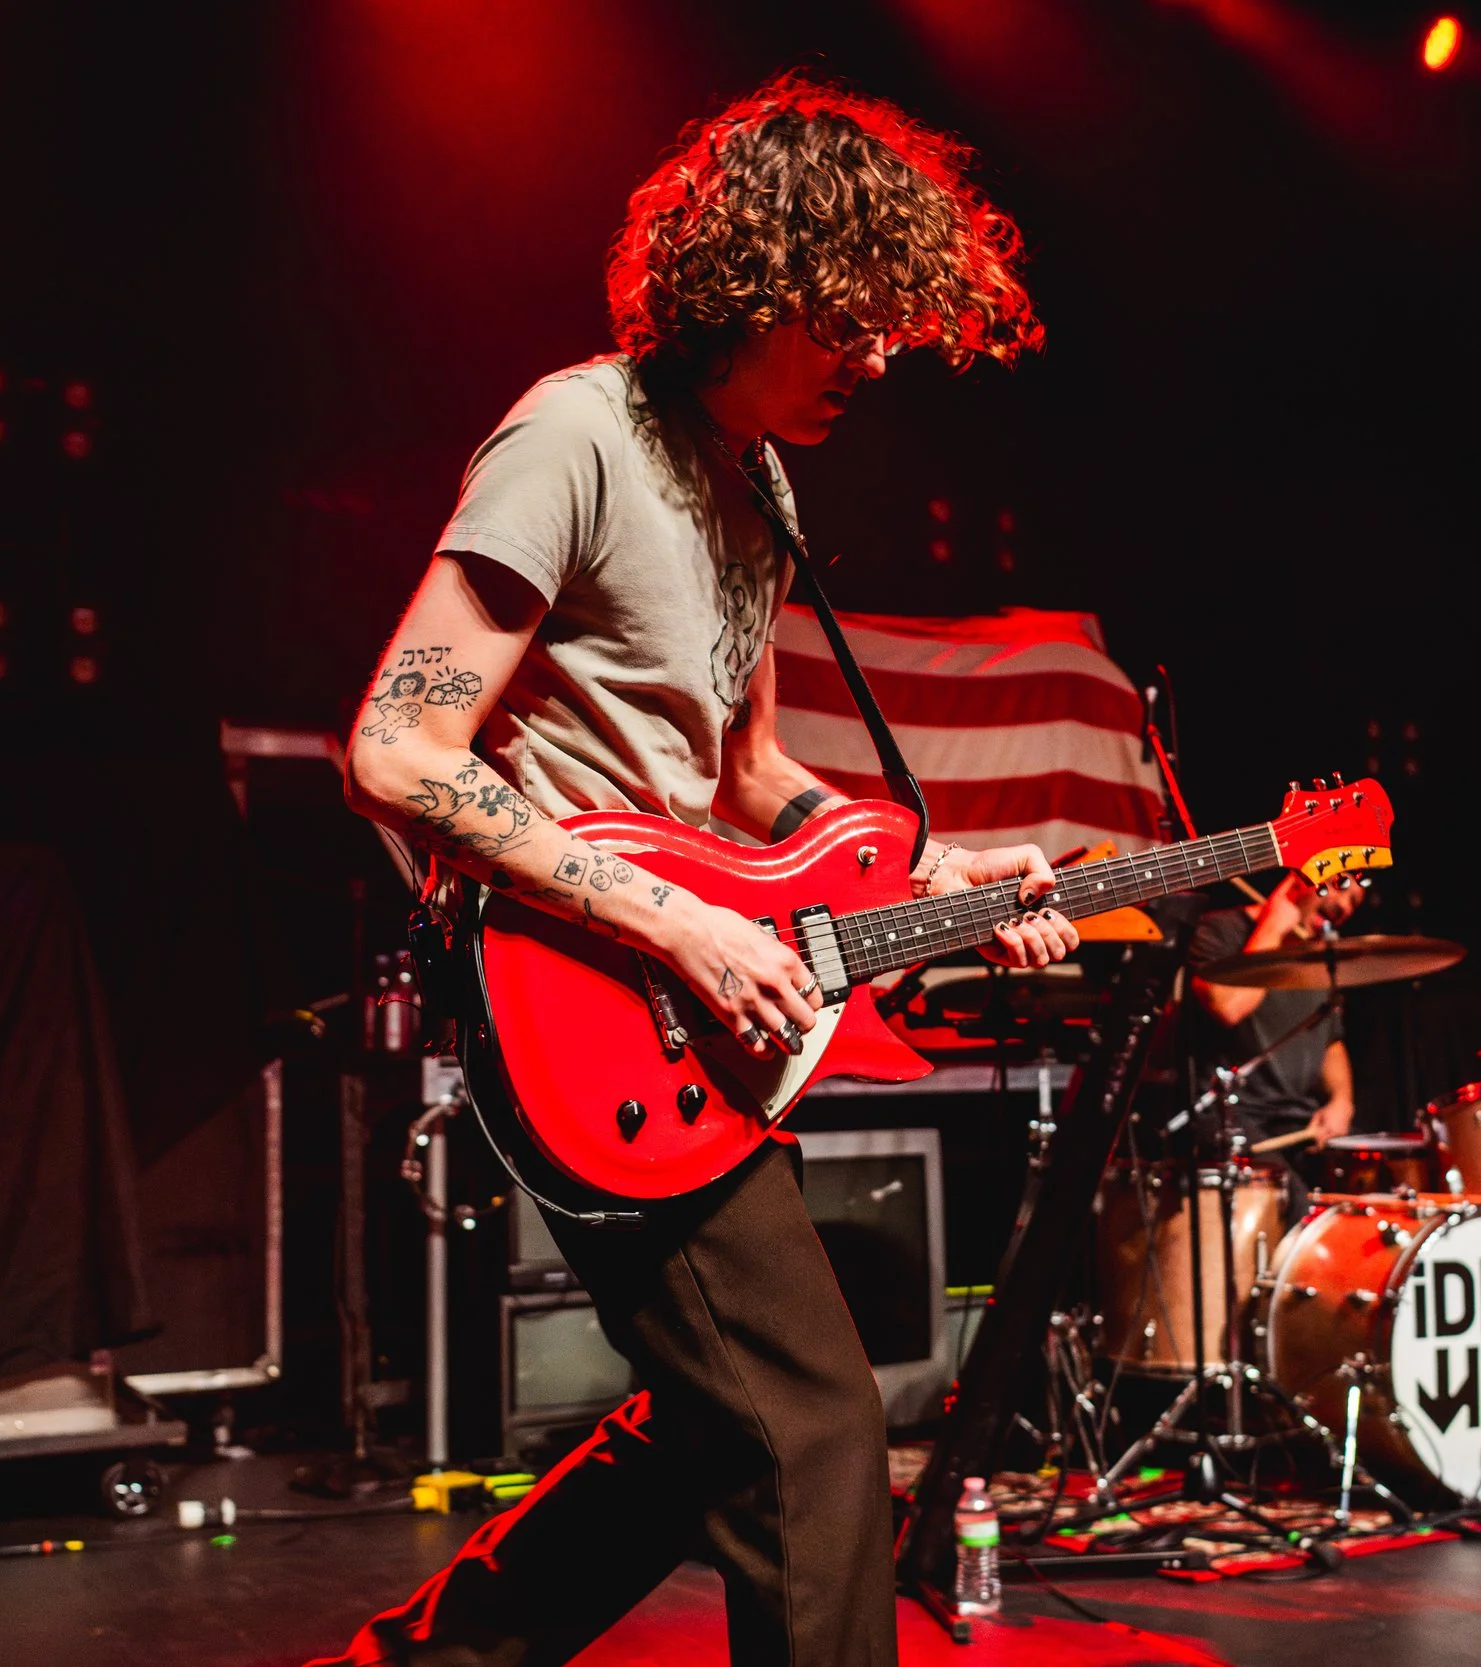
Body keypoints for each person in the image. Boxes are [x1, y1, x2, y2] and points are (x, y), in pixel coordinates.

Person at [320, 74, 1079, 1667]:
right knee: (812, 1427)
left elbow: (748, 777)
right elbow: (397, 747)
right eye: (850, 318)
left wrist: (949, 870)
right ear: (757, 281)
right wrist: (673, 919)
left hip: (686, 1009)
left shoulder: (760, 479)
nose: (877, 357)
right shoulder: (574, 432)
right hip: (574, 991)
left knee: (708, 1423)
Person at [1185, 871, 1363, 1175]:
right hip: (1230, 1115)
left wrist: (1342, 1101)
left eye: (1355, 901)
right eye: (1339, 885)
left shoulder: (1317, 955)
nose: (1345, 906)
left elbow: (1330, 1040)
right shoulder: (1219, 930)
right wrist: (1273, 927)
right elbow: (1228, 1007)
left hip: (1297, 1119)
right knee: (1293, 1197)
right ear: (1299, 880)